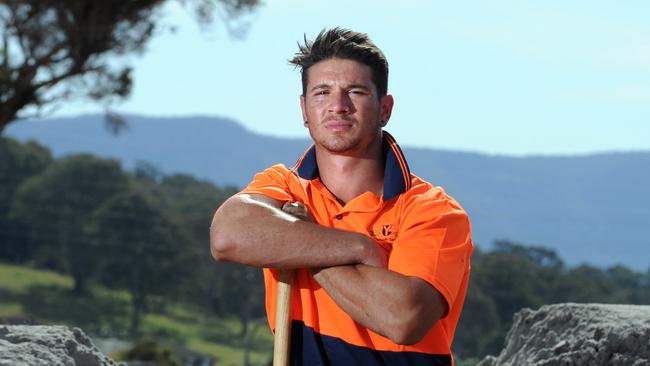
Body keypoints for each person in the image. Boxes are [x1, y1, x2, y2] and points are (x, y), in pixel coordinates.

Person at [210, 27, 473, 365]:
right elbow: (226, 236)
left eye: (356, 92)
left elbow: (403, 318)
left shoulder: (433, 212)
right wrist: (358, 248)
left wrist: (298, 243)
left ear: (385, 108)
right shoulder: (284, 187)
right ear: (305, 109)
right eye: (322, 92)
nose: (338, 106)